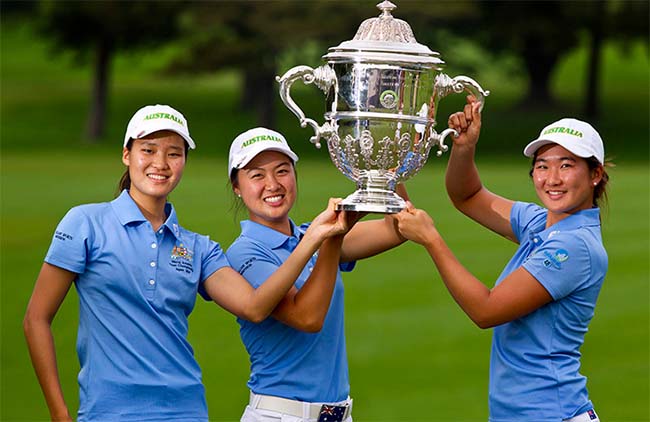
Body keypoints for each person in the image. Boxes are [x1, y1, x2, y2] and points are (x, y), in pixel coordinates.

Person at [23, 105, 350, 422]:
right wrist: (59, 413)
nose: (160, 163)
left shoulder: (198, 248)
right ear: (127, 155)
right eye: (148, 150)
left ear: (184, 162)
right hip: (107, 412)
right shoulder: (85, 223)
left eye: (174, 153)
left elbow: (254, 307)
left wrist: (312, 241)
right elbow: (36, 318)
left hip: (186, 410)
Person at [392, 97, 609, 422]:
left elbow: (486, 310)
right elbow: (468, 196)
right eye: (542, 165)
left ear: (595, 175)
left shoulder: (574, 246)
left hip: (552, 413)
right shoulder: (542, 222)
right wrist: (464, 149)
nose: (552, 178)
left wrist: (431, 240)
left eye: (566, 165)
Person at [225, 127, 408, 422]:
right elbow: (307, 317)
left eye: (282, 171)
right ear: (237, 186)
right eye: (257, 175)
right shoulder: (243, 253)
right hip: (279, 414)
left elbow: (397, 229)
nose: (273, 184)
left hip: (337, 414)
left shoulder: (310, 235)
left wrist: (386, 167)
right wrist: (332, 237)